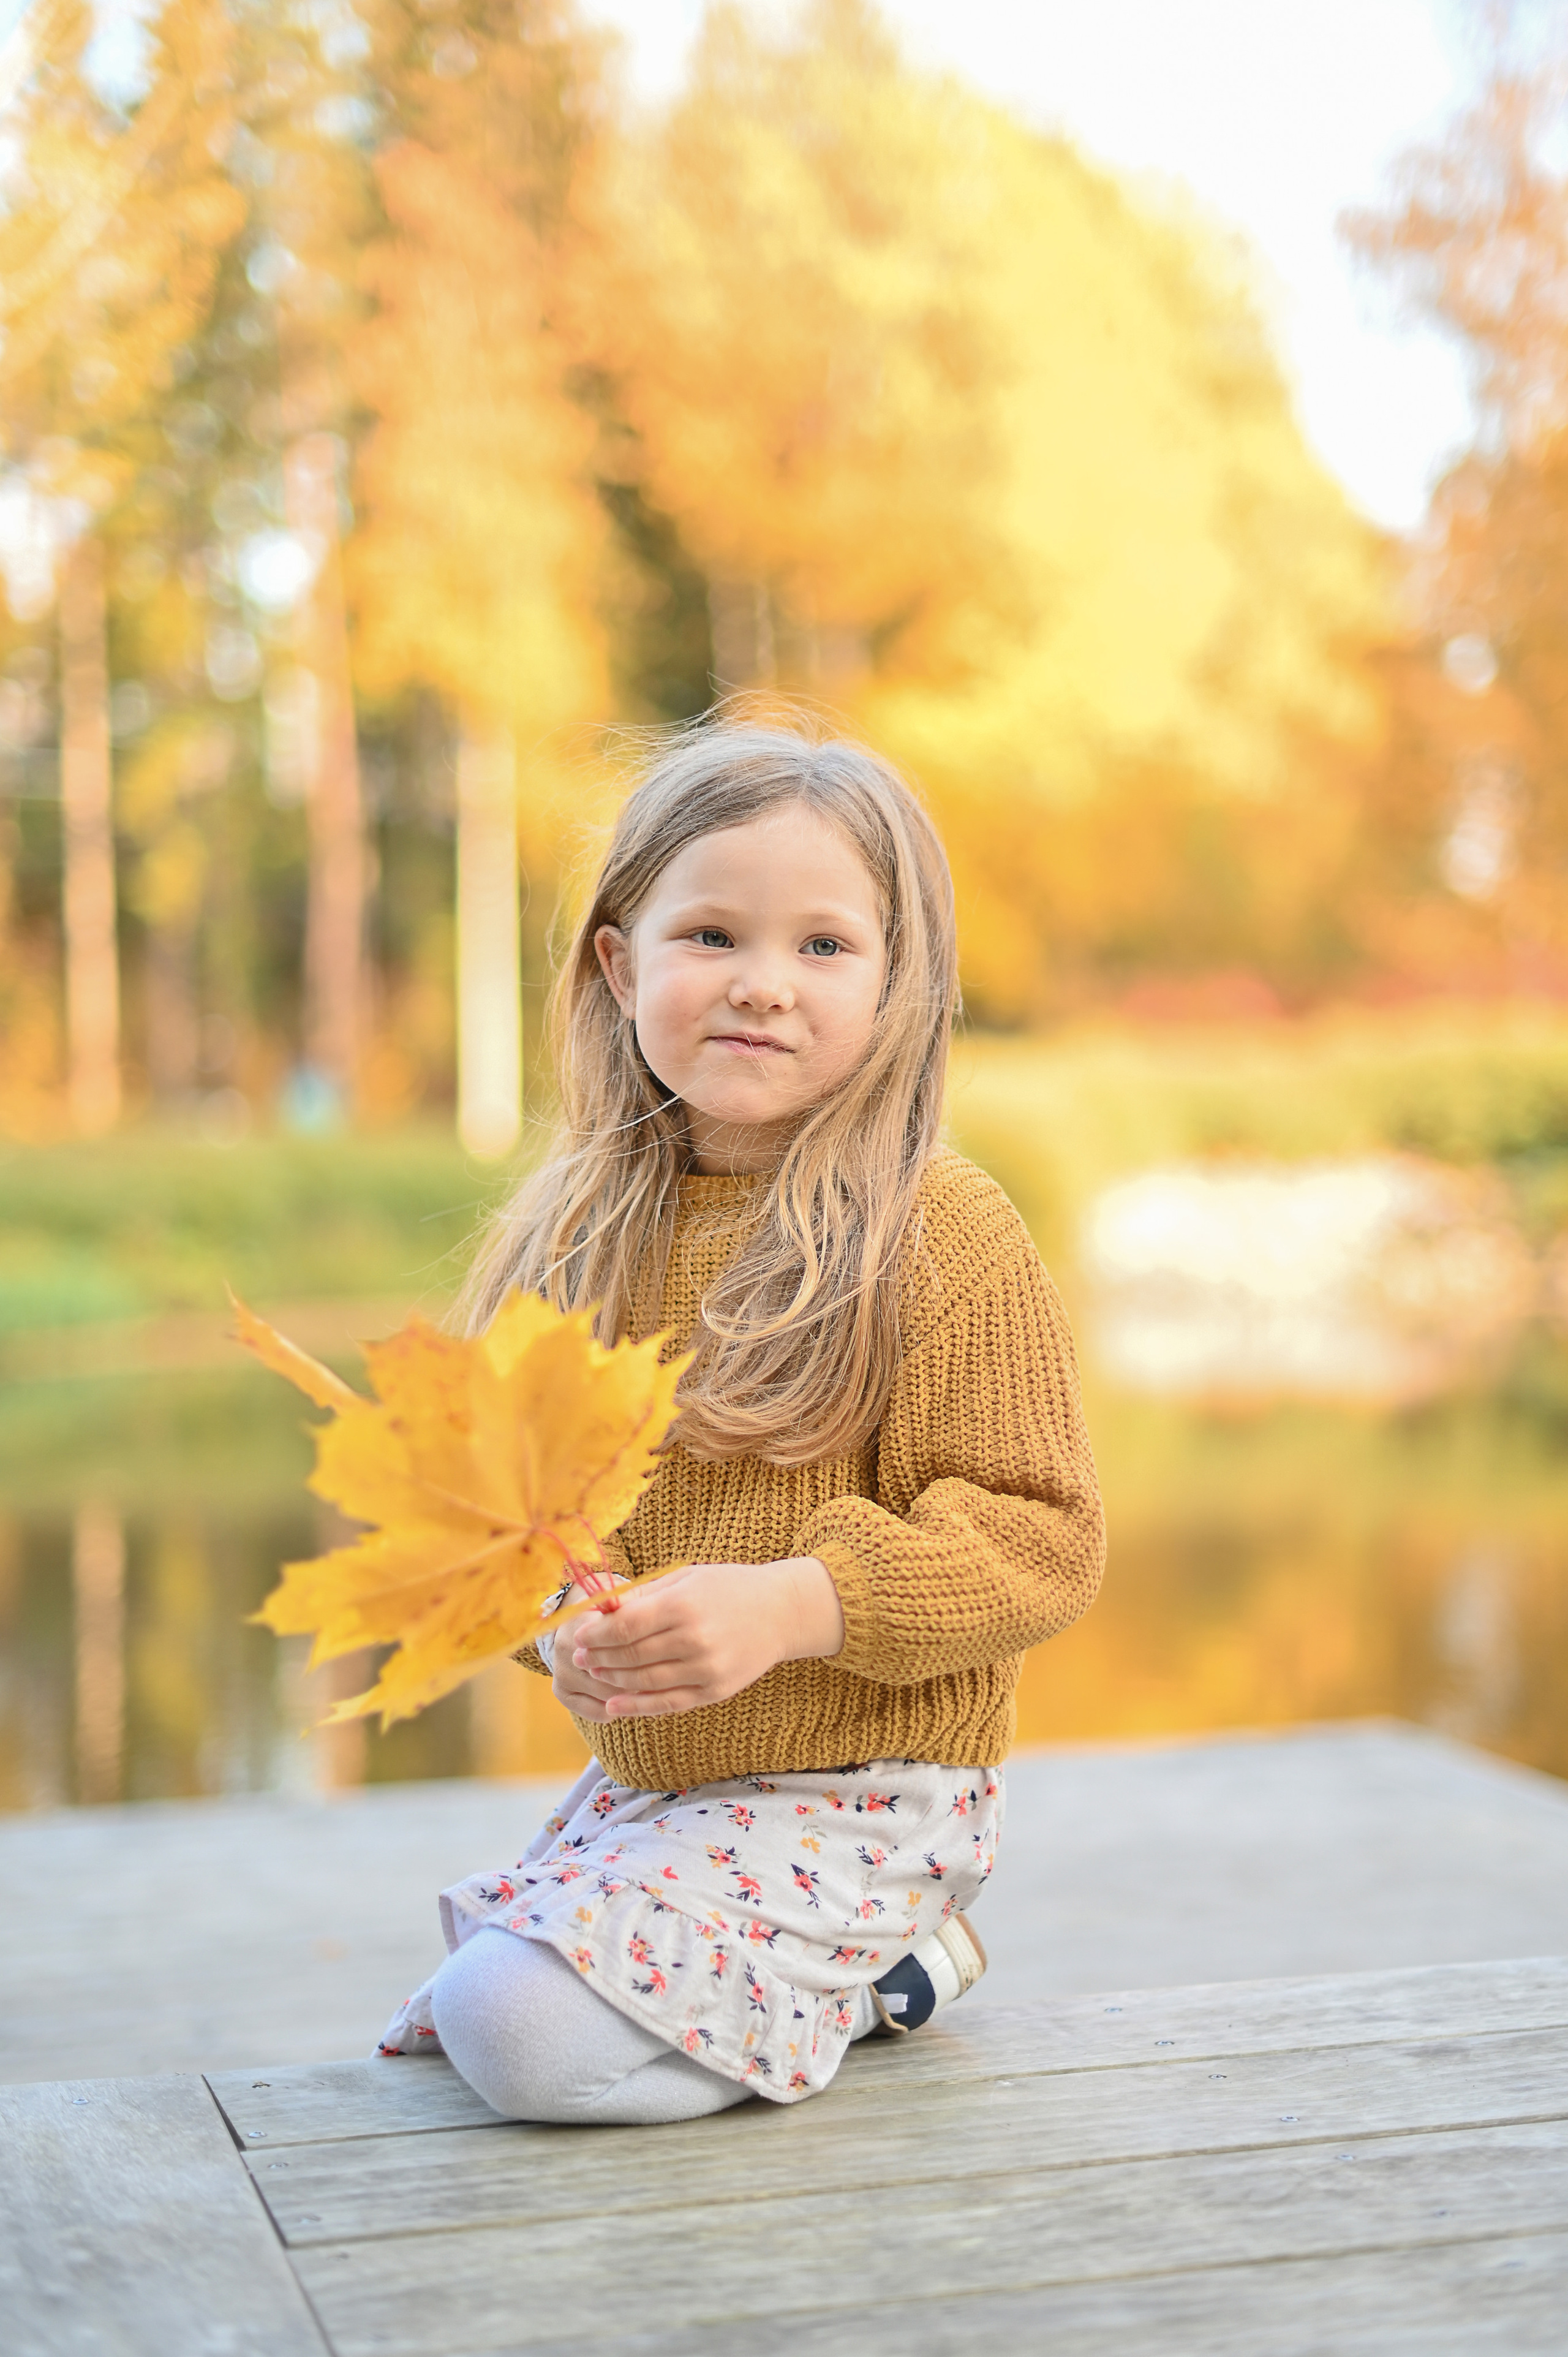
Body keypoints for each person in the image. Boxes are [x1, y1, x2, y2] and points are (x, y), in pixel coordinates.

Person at [377, 721, 1105, 2122]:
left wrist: (795, 1602)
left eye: (824, 948)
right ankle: (870, 1982)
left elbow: (1041, 1541)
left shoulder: (935, 1230)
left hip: (872, 1790)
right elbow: (523, 1524)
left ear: (901, 985)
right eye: (710, 933)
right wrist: (564, 1628)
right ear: (617, 963)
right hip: (664, 1789)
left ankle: (873, 1959)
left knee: (510, 2024)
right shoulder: (574, 1238)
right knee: (483, 2002)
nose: (762, 986)